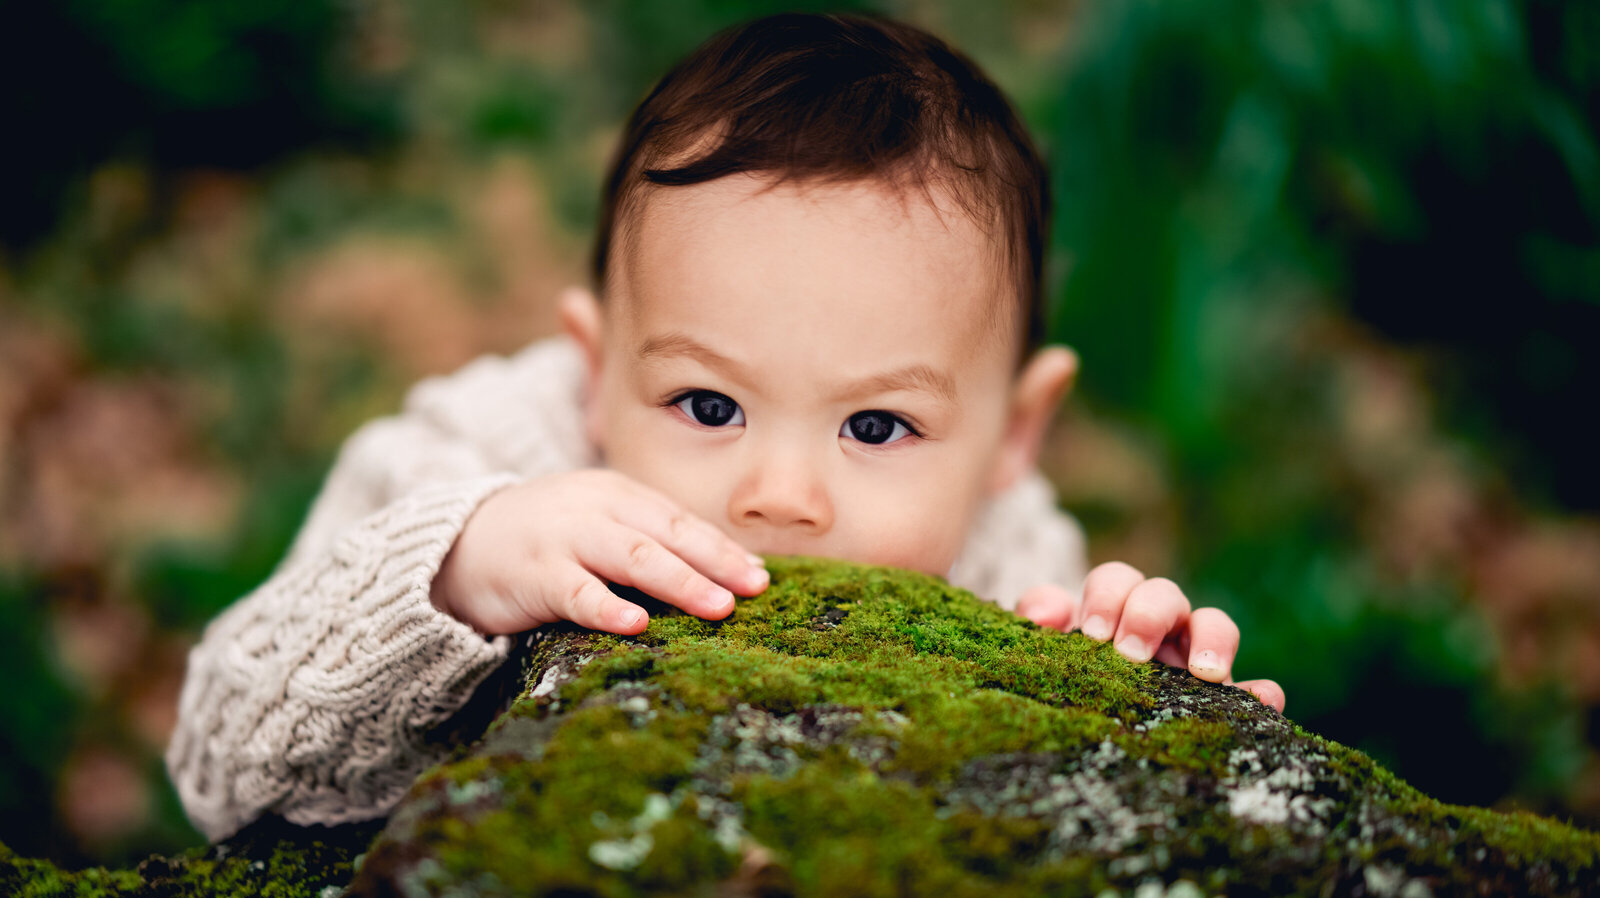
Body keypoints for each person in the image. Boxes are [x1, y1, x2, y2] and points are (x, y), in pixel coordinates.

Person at [167, 12, 1284, 843]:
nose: (780, 493)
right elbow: (216, 765)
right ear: (598, 372)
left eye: (878, 426)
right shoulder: (481, 463)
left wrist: (1151, 716)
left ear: (1012, 435)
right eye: (709, 406)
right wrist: (461, 570)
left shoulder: (1012, 563)